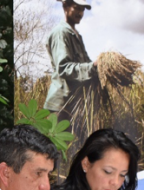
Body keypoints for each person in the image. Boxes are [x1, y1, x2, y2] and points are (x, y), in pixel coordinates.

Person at [44, 0, 100, 144]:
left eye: (83, 10)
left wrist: (101, 68)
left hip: (75, 104)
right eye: (76, 8)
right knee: (57, 150)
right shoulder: (61, 33)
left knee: (75, 149)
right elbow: (64, 68)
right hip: (61, 105)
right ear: (65, 6)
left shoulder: (77, 36)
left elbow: (86, 64)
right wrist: (93, 67)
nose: (80, 13)